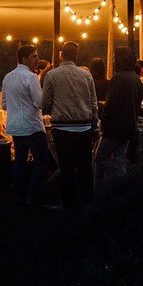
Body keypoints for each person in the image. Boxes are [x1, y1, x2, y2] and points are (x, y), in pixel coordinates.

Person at [41, 40, 98, 208]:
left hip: (62, 127)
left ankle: (67, 203)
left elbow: (45, 102)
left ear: (61, 55)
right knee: (85, 166)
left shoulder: (52, 75)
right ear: (76, 56)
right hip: (84, 126)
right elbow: (93, 102)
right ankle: (88, 200)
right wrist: (93, 122)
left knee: (66, 167)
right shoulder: (86, 75)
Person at [1, 45, 52, 206]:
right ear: (24, 59)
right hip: (32, 126)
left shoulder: (7, 77)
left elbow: (3, 104)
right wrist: (48, 96)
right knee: (41, 162)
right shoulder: (31, 77)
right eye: (34, 56)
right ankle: (32, 195)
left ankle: (19, 195)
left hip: (15, 126)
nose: (37, 59)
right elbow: (39, 102)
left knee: (20, 161)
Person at [94, 46, 142, 192]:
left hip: (115, 128)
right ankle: (120, 189)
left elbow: (111, 104)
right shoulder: (136, 79)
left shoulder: (118, 78)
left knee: (100, 157)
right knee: (120, 159)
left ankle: (109, 184)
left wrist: (102, 117)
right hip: (129, 127)